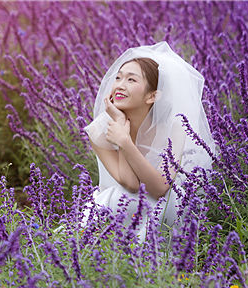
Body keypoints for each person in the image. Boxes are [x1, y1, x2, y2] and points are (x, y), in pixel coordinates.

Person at [83, 42, 214, 238]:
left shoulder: (174, 128)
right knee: (125, 198)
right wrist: (120, 125)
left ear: (152, 96)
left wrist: (125, 142)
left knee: (165, 201)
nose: (119, 84)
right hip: (119, 206)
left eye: (131, 80)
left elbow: (160, 187)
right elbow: (130, 184)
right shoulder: (97, 131)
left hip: (160, 205)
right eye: (118, 77)